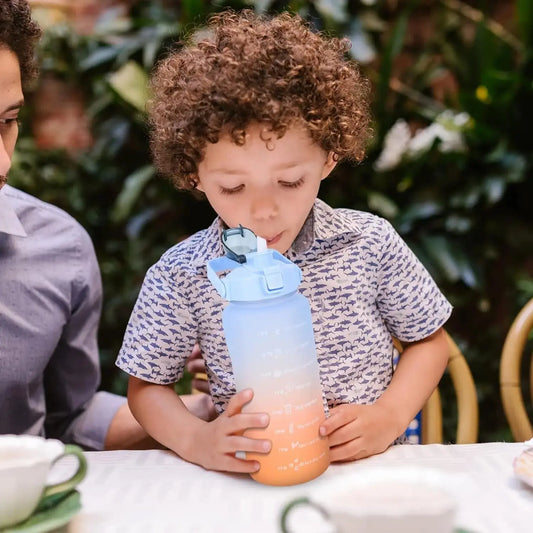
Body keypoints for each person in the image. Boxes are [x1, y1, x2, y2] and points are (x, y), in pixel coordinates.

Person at [116, 10, 452, 472]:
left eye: (290, 181)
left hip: (375, 470)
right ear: (194, 174)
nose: (263, 211)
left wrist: (389, 416)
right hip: (256, 476)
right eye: (233, 188)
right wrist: (196, 440)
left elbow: (429, 342)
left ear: (330, 158)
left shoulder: (369, 243)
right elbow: (147, 386)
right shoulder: (182, 273)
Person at [0, 0, 212, 451]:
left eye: (7, 122)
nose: (2, 163)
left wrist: (201, 411)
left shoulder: (59, 250)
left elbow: (70, 418)